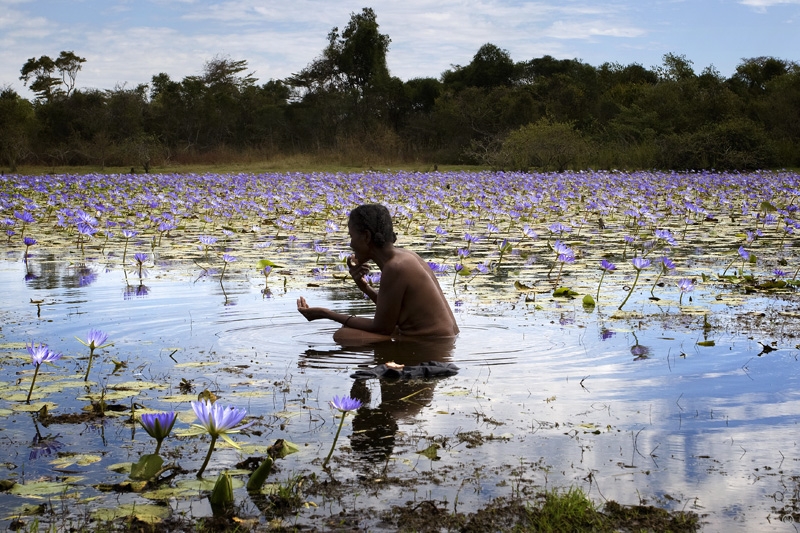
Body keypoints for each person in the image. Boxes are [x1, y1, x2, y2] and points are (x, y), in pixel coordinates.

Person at [297, 204, 459, 344]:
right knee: (350, 328)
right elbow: (391, 312)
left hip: (432, 343)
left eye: (352, 236)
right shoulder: (405, 256)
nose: (351, 243)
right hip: (443, 338)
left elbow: (382, 328)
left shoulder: (395, 267)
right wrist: (365, 288)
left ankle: (395, 346)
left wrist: (326, 313)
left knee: (344, 335)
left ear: (366, 236)